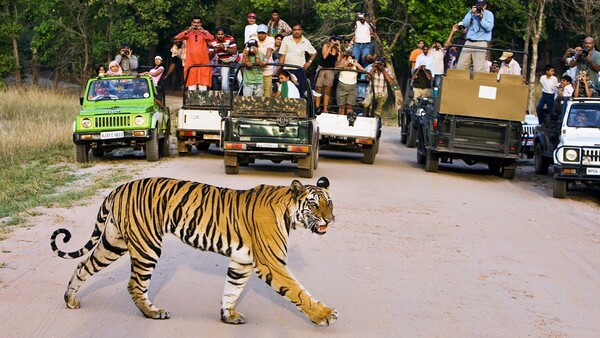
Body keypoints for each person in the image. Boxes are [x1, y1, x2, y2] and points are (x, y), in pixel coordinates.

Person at [276, 22, 317, 96]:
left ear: (302, 31)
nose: (297, 31)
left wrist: (309, 62)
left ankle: (301, 106)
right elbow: (282, 56)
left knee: (302, 89)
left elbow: (314, 53)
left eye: (298, 29)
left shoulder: (306, 41)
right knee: (286, 89)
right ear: (292, 30)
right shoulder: (286, 39)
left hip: (299, 69)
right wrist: (276, 70)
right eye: (295, 29)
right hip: (287, 68)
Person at [175, 16, 214, 90]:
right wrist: (187, 31)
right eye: (194, 22)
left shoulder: (204, 33)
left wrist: (203, 31)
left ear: (201, 24)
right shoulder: (188, 33)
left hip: (203, 63)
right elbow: (177, 37)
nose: (196, 24)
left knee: (203, 87)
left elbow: (212, 39)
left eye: (198, 23)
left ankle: (203, 102)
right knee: (191, 87)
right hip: (191, 63)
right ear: (191, 23)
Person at [456, 0, 494, 73]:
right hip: (469, 42)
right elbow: (465, 24)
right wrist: (471, 13)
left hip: (481, 42)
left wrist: (480, 17)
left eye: (481, 5)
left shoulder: (489, 14)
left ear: (485, 6)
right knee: (460, 66)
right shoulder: (471, 12)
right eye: (478, 5)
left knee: (478, 68)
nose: (479, 7)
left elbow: (489, 28)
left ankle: (477, 83)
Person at [315, 35, 342, 112]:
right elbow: (324, 56)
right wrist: (330, 47)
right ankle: (317, 106)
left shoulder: (337, 50)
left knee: (327, 90)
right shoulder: (325, 46)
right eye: (335, 41)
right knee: (319, 88)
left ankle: (325, 108)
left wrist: (339, 49)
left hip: (330, 70)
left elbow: (339, 60)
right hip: (322, 69)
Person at [208, 27, 240, 91]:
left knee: (240, 80)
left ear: (224, 34)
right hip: (224, 63)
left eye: (222, 34)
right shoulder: (212, 42)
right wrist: (214, 51)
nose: (220, 36)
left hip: (235, 61)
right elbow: (209, 57)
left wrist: (224, 48)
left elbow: (234, 51)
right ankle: (227, 98)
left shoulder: (230, 39)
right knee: (224, 83)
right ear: (216, 35)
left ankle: (242, 96)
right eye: (219, 34)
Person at [256, 24, 275, 97]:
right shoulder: (254, 38)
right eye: (259, 33)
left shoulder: (270, 39)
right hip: (257, 70)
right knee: (258, 91)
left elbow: (269, 50)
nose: (261, 35)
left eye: (263, 33)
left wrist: (265, 60)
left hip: (267, 69)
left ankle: (266, 107)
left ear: (266, 33)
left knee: (267, 90)